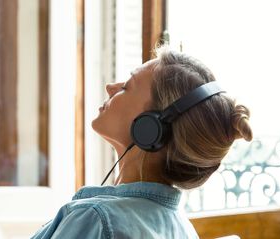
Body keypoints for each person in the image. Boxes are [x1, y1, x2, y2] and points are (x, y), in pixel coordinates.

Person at [31, 45, 253, 238]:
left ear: (151, 127)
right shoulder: (181, 227)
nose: (110, 87)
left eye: (127, 86)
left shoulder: (95, 219)